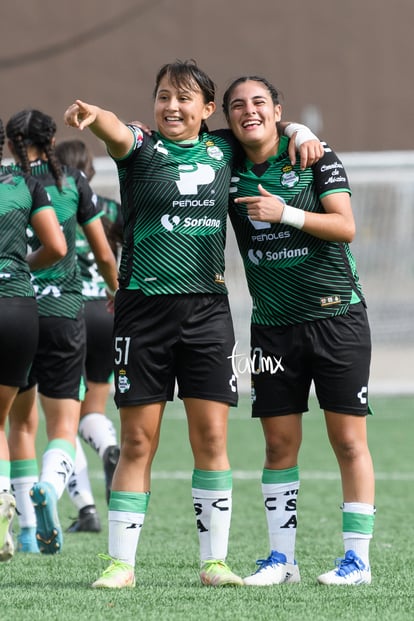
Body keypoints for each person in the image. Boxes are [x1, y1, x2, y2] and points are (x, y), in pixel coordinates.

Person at [64, 60, 323, 590]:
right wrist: (95, 115)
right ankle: (120, 565)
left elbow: (265, 129)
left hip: (208, 314)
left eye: (184, 99)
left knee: (211, 438)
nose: (172, 107)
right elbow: (117, 126)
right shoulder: (141, 148)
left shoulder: (224, 149)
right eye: (163, 97)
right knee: (138, 442)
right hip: (142, 311)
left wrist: (300, 127)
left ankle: (214, 563)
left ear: (207, 110)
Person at [222, 75, 375, 586]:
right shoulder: (226, 162)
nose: (250, 112)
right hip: (271, 329)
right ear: (228, 118)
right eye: (238, 105)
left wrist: (283, 211)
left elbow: (346, 225)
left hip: (337, 319)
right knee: (277, 445)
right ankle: (281, 560)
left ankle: (357, 561)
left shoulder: (315, 154)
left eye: (260, 103)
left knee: (349, 443)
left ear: (276, 109)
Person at [6, 109, 119, 554]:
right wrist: (114, 292)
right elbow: (105, 254)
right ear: (51, 139)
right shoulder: (72, 181)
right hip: (64, 312)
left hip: (16, 307)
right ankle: (51, 491)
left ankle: (29, 533)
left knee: (19, 424)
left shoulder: (10, 182)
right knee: (64, 426)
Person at [0, 117, 67, 561]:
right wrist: (22, 268)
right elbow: (57, 247)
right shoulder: (24, 183)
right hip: (21, 310)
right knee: (13, 421)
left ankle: (4, 501)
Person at [55, 139, 122, 533]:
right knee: (92, 410)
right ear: (91, 169)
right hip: (109, 311)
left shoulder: (53, 205)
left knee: (62, 417)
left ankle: (86, 509)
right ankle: (109, 446)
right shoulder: (111, 208)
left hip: (69, 311)